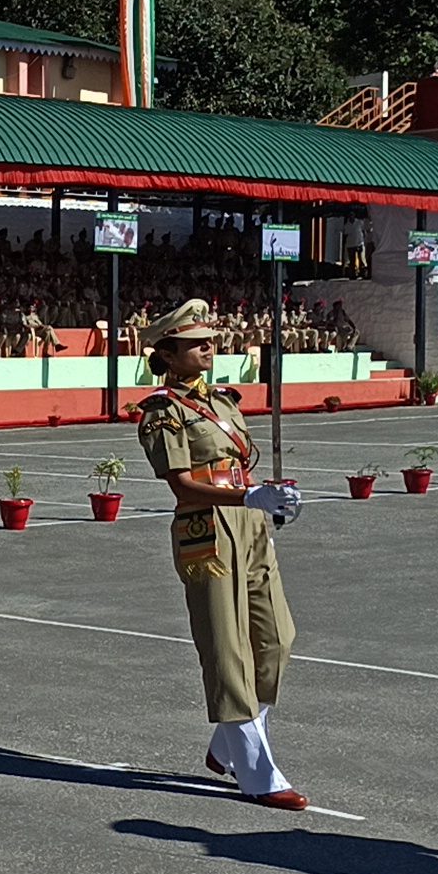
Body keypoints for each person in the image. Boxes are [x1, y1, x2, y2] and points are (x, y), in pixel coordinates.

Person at [136, 300, 307, 810]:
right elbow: (184, 486)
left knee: (276, 638)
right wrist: (247, 498)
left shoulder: (225, 402)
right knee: (226, 649)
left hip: (249, 524)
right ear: (167, 353)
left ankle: (223, 745)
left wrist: (269, 495)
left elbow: (240, 467)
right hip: (206, 529)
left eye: (210, 338)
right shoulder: (162, 414)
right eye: (196, 342)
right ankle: (256, 772)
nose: (209, 346)